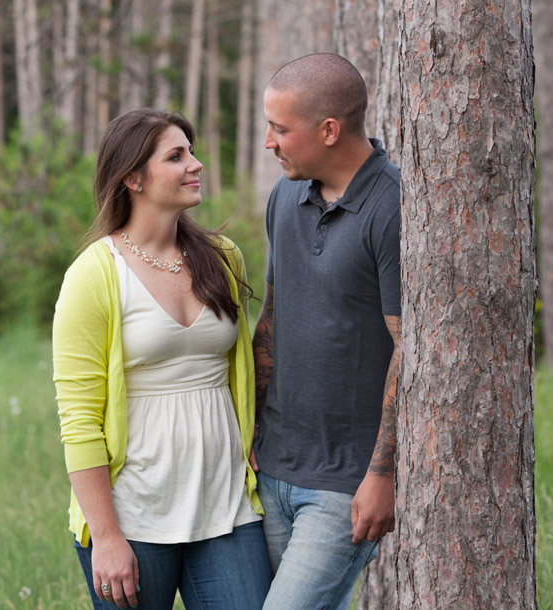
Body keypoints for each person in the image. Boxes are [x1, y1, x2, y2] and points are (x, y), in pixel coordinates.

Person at [52, 108, 272, 610]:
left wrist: (258, 433)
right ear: (133, 177)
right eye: (176, 156)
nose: (195, 164)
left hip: (226, 508)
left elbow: (247, 363)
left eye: (191, 152)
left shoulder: (223, 256)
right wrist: (106, 536)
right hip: (133, 515)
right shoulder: (94, 274)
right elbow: (80, 420)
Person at [251, 53, 401, 610]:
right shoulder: (285, 196)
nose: (269, 142)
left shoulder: (393, 207)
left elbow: (408, 350)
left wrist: (382, 474)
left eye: (280, 128)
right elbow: (272, 317)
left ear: (329, 130)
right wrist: (249, 431)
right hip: (273, 467)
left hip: (345, 484)